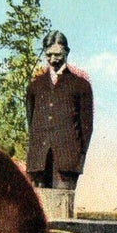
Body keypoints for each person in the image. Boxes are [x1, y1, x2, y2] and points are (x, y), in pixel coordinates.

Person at [25, 30, 93, 190]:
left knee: (62, 209)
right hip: (38, 162)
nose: (53, 59)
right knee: (38, 210)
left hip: (67, 164)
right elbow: (31, 120)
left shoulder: (81, 85)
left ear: (67, 52)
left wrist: (77, 159)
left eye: (58, 54)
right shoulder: (35, 85)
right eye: (49, 55)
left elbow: (87, 127)